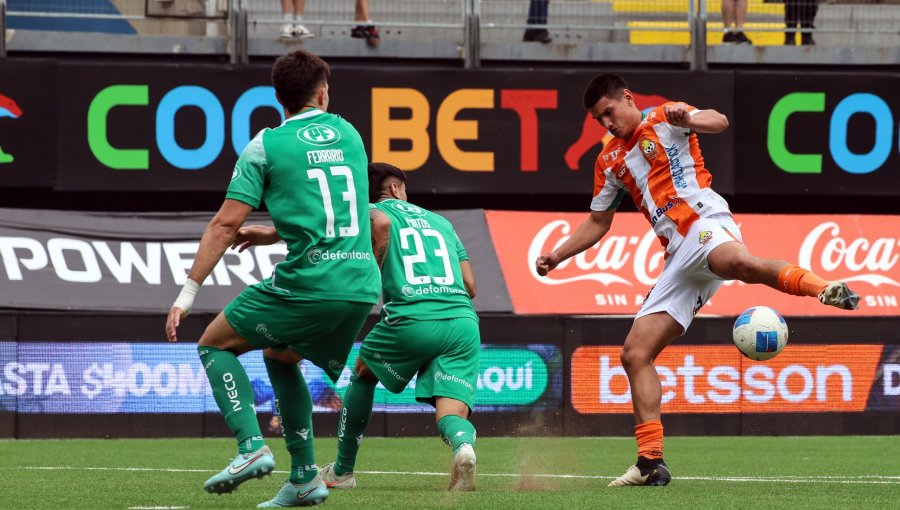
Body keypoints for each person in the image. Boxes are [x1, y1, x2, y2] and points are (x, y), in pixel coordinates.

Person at [535, 73, 860, 487]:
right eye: (600, 119)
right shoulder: (609, 160)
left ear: (628, 98)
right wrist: (558, 255)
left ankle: (824, 289)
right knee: (635, 354)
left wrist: (687, 116)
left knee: (737, 261)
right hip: (677, 257)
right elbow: (599, 222)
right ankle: (650, 462)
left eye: (609, 113)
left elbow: (719, 122)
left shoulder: (665, 117)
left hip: (704, 222)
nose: (607, 124)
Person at [165, 49, 380, 507]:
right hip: (361, 286)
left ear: (278, 97)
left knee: (213, 343)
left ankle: (249, 448)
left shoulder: (266, 144)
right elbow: (340, 209)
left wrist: (186, 294)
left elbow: (224, 224)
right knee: (281, 357)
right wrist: (275, 232)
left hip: (311, 282)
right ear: (322, 93)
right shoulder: (351, 135)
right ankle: (304, 477)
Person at [235, 163, 481, 491]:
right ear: (396, 188)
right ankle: (464, 447)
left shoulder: (365, 213)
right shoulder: (443, 223)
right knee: (450, 410)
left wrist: (268, 235)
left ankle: (343, 471)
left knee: (364, 371)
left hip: (411, 316)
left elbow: (314, 223)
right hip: (463, 322)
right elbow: (470, 284)